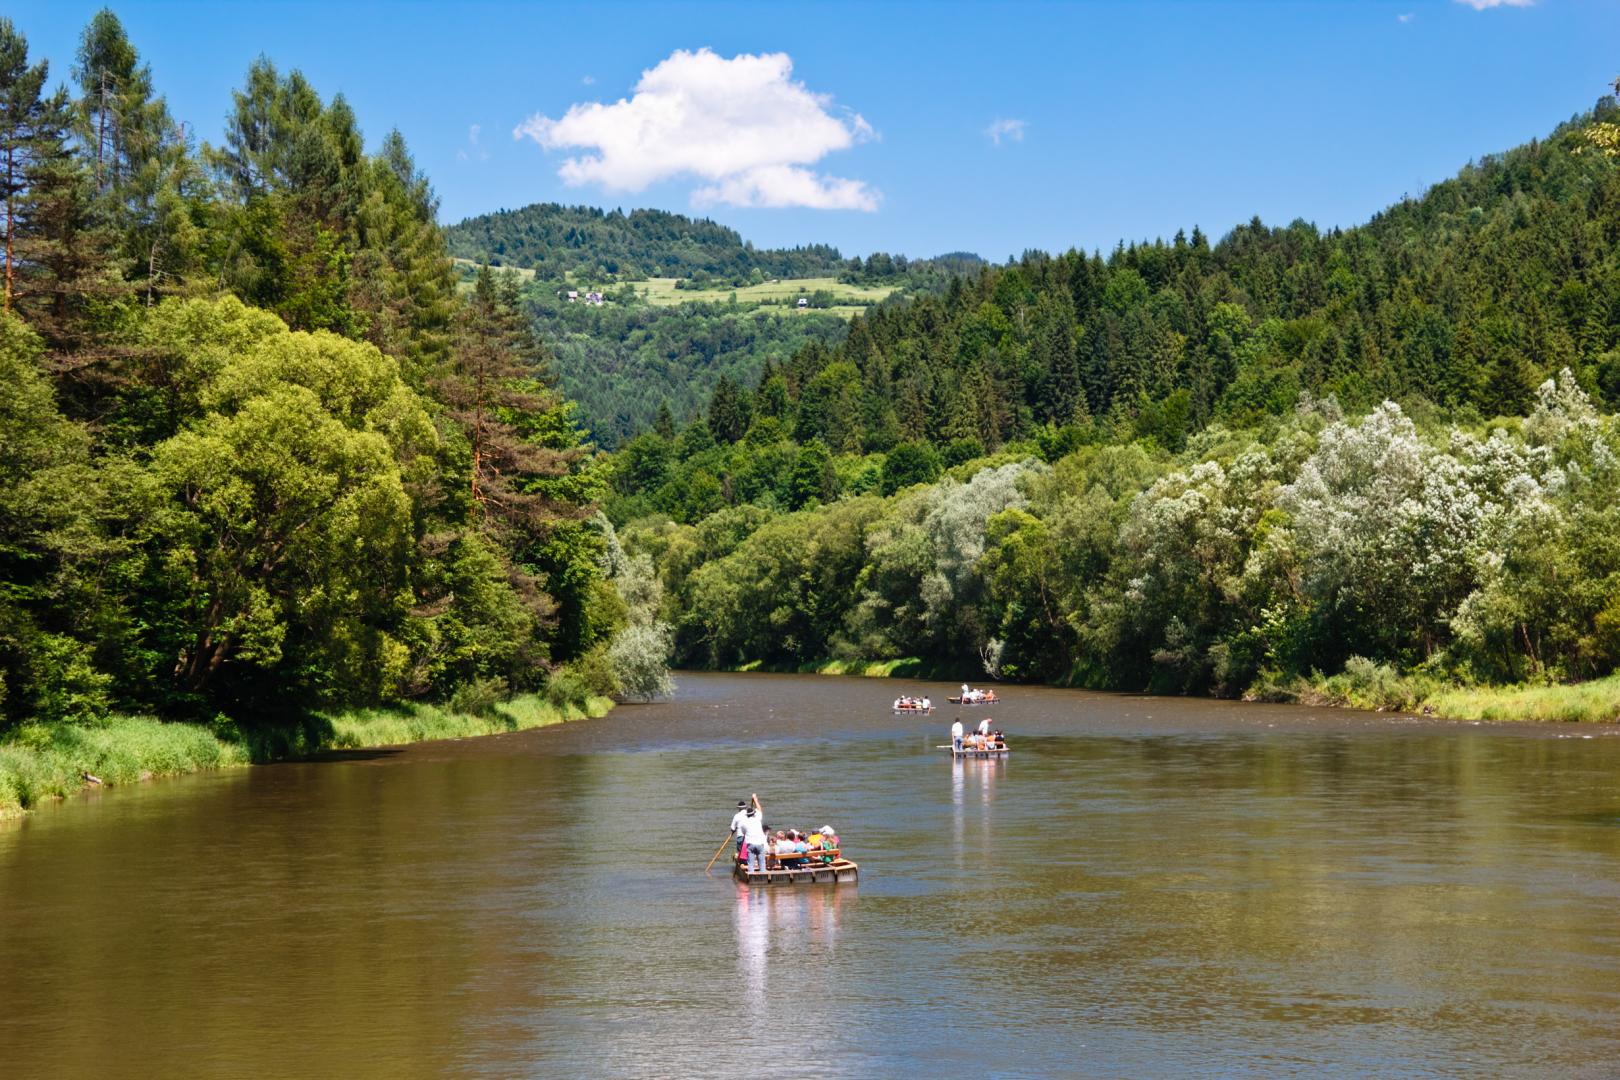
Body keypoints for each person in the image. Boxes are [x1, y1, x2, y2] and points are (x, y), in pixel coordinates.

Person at [741, 804, 768, 873]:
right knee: (762, 862)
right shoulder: (758, 818)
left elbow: (743, 832)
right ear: (753, 814)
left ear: (747, 815)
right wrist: (755, 799)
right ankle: (763, 874)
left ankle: (751, 875)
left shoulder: (744, 822)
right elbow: (759, 809)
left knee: (750, 863)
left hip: (750, 844)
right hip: (759, 843)